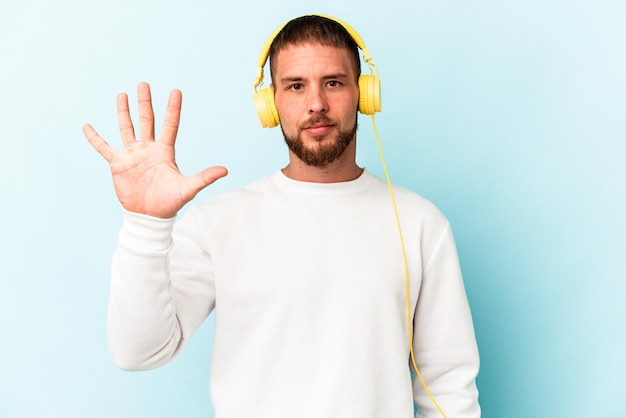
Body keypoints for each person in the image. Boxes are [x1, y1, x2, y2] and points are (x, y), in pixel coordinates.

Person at [84, 14, 480, 418]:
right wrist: (145, 225)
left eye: (333, 82)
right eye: (295, 86)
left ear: (364, 94)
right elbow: (137, 351)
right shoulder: (219, 223)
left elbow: (448, 387)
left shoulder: (419, 224)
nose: (316, 104)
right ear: (271, 103)